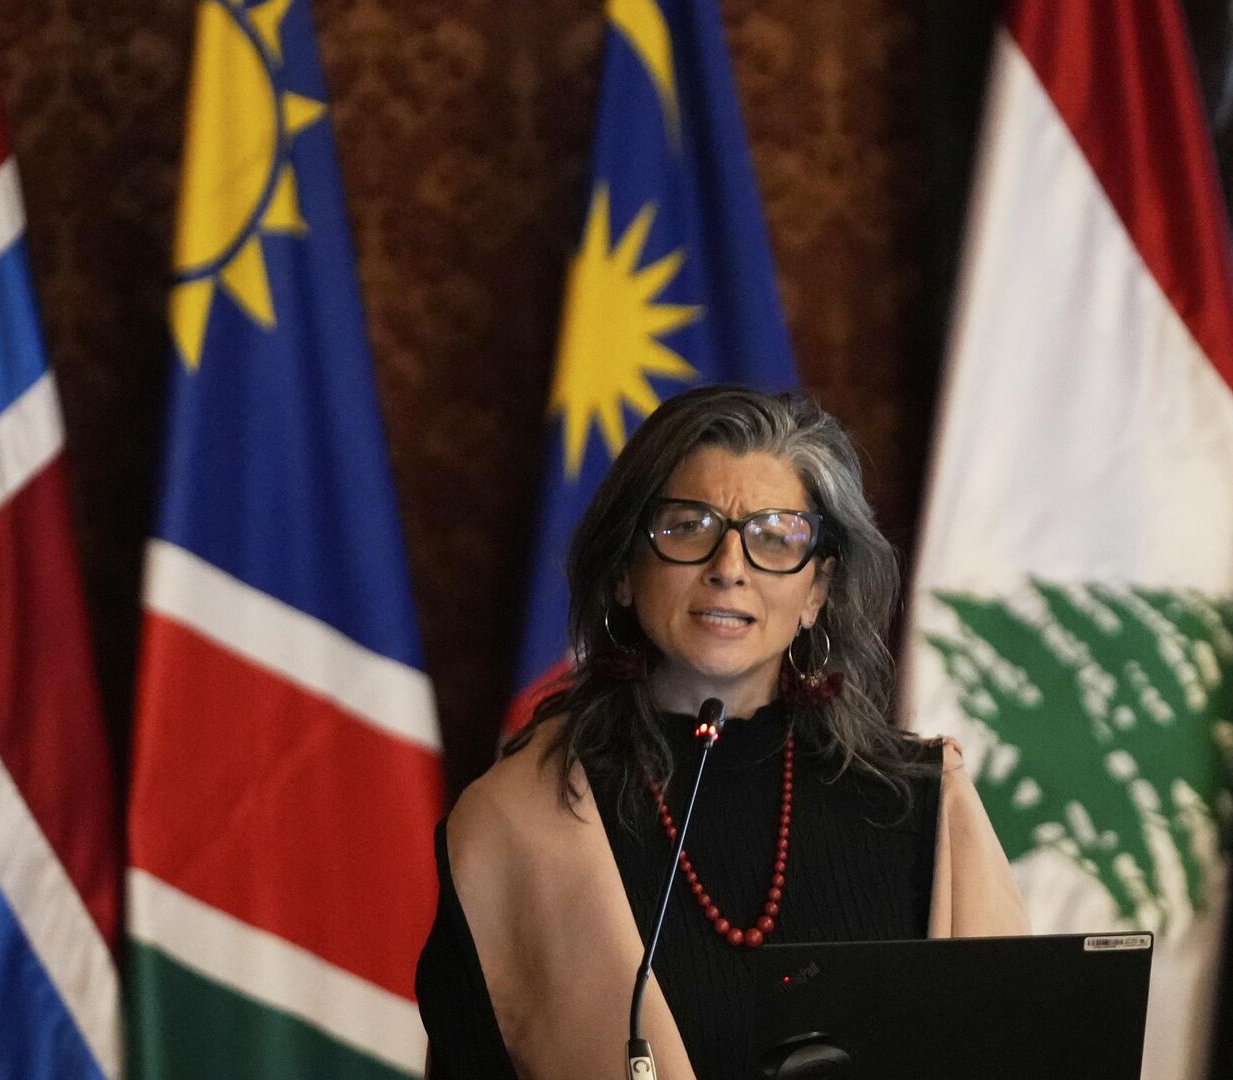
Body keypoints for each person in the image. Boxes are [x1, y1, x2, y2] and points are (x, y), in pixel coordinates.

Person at [415, 386, 1025, 1079]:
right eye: (689, 527)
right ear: (623, 569)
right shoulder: (517, 822)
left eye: (775, 536)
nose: (729, 568)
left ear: (817, 591)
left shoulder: (924, 805)